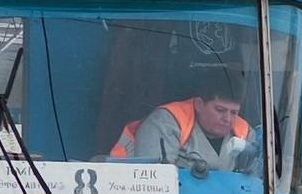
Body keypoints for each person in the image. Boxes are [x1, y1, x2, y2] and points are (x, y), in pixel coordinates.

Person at [110, 72, 258, 173]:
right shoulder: (164, 122)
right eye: (220, 110)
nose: (227, 118)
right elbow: (154, 184)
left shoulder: (245, 133)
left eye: (234, 112)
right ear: (199, 104)